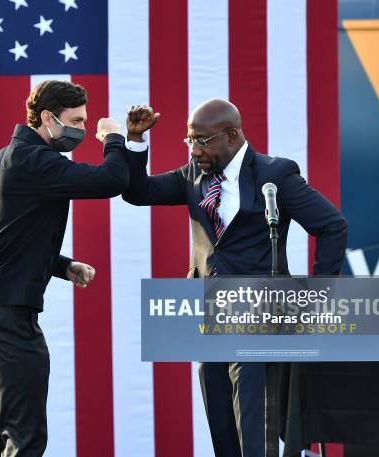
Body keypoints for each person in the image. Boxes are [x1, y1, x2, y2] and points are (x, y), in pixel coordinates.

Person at [123, 99, 348, 457]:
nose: (194, 149)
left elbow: (332, 225)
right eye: (189, 141)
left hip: (259, 315)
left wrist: (317, 297)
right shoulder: (191, 176)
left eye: (201, 140)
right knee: (222, 424)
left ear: (231, 135)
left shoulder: (275, 176)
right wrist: (135, 142)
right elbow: (137, 193)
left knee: (255, 425)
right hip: (209, 315)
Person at [0, 80, 129, 456]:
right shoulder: (35, 161)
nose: (84, 131)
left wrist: (62, 265)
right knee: (25, 434)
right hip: (7, 312)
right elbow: (112, 180)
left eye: (87, 124)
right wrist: (114, 138)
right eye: (77, 121)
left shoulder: (8, 157)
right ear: (48, 118)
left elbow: (11, 236)